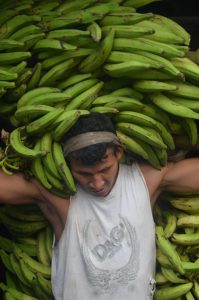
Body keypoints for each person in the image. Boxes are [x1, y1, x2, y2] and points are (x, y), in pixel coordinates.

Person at [0, 112, 199, 300]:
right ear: (67, 163)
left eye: (105, 170)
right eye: (84, 174)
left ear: (118, 152)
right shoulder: (61, 197)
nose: (97, 183)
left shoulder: (143, 182)